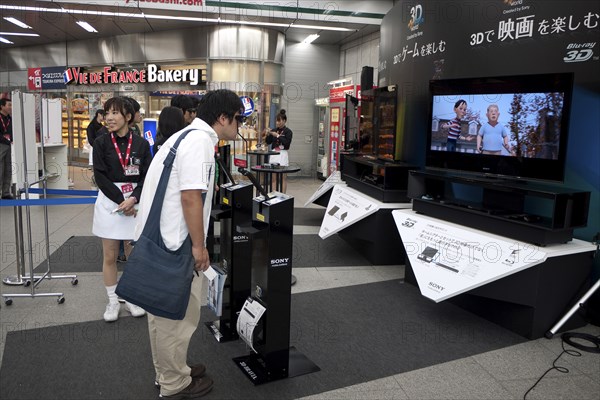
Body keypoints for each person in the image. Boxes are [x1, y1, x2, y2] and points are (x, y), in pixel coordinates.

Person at [135, 89, 243, 399]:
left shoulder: (184, 137)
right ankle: (175, 384)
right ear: (222, 118)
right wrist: (199, 246)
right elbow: (190, 197)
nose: (239, 125)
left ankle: (169, 370)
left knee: (161, 314)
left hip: (158, 239)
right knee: (178, 317)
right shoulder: (198, 142)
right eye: (237, 118)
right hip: (176, 244)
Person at [92, 97, 152, 322]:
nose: (109, 117)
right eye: (107, 113)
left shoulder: (142, 144)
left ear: (128, 116)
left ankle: (132, 297)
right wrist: (121, 201)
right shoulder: (101, 143)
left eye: (115, 113)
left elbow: (147, 175)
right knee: (109, 255)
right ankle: (112, 301)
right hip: (110, 201)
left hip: (134, 202)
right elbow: (100, 176)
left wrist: (134, 198)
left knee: (132, 254)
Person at [263, 109, 293, 193]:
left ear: (284, 121)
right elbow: (268, 142)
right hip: (274, 153)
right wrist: (268, 134)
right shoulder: (274, 130)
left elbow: (287, 143)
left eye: (279, 121)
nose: (278, 123)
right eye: (277, 121)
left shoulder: (288, 132)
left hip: (283, 154)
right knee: (274, 177)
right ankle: (273, 195)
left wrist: (278, 136)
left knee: (283, 178)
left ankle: (283, 196)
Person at [0, 98, 13, 199]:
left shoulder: (9, 118)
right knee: (1, 170)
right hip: (1, 145)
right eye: (9, 105)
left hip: (9, 145)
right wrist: (7, 141)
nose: (10, 107)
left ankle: (6, 192)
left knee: (8, 169)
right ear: (2, 106)